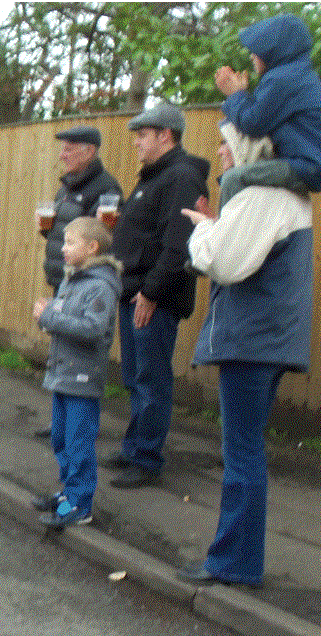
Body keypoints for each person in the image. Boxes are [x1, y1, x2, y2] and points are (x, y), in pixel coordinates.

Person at [175, 122, 313, 588]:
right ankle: (239, 560)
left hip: (253, 342)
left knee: (242, 455)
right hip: (267, 341)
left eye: (226, 144)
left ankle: (234, 563)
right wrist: (216, 228)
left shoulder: (261, 197)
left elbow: (224, 263)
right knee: (245, 452)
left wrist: (204, 232)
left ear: (248, 149)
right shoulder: (284, 196)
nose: (219, 152)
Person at [106, 103, 209, 489]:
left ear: (166, 135)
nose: (136, 142)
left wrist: (150, 293)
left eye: (142, 134)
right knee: (135, 377)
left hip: (155, 299)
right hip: (134, 294)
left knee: (151, 379)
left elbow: (179, 245)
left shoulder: (181, 177)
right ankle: (134, 447)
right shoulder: (155, 176)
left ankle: (147, 459)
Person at [30, 217, 121, 528]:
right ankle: (69, 492)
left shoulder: (100, 286)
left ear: (92, 247)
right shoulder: (74, 280)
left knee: (78, 442)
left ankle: (80, 504)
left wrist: (51, 317)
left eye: (70, 243)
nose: (63, 248)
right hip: (63, 375)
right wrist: (50, 308)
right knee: (60, 438)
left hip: (82, 377)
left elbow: (93, 328)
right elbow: (67, 315)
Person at [33, 126, 122, 439]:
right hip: (64, 278)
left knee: (76, 345)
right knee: (61, 345)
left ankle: (75, 426)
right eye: (63, 148)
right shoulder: (66, 187)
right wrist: (49, 230)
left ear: (90, 151)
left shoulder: (106, 188)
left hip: (84, 282)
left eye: (70, 148)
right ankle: (61, 420)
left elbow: (98, 238)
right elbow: (66, 234)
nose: (62, 154)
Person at [214, 13, 321, 207]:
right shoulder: (295, 74)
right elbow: (260, 116)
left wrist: (234, 95)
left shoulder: (284, 79)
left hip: (307, 165)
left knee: (234, 178)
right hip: (312, 164)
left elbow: (252, 123)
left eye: (257, 50)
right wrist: (240, 95)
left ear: (273, 50)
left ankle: (223, 234)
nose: (252, 56)